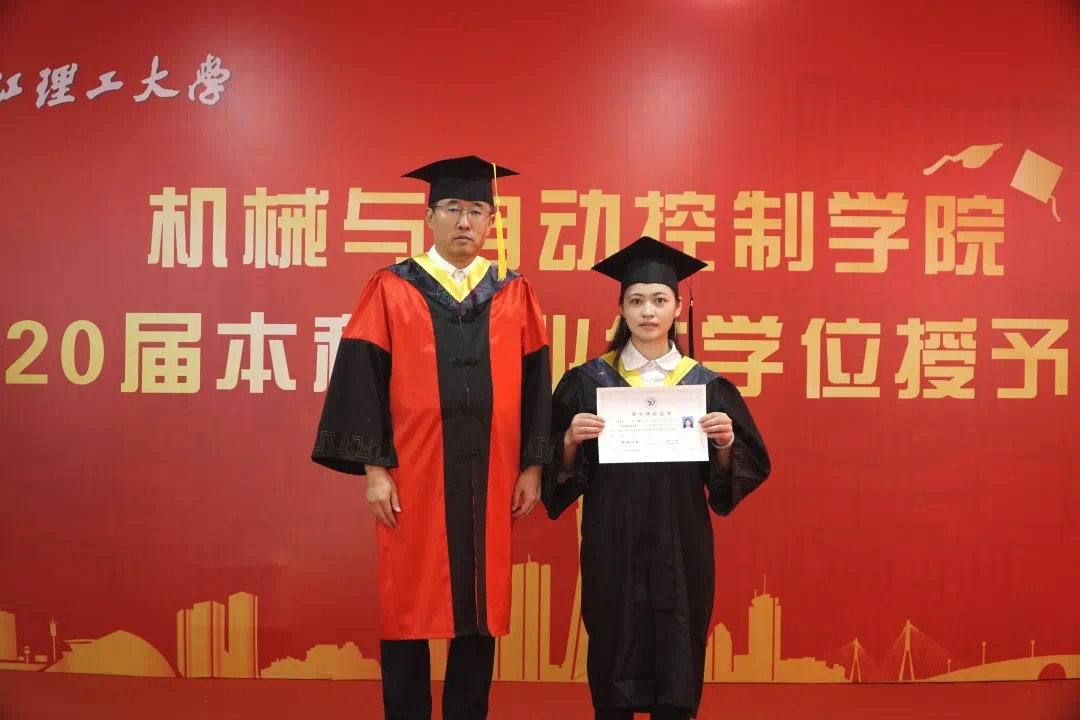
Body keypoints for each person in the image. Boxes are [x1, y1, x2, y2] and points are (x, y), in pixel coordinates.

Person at [311, 155, 553, 720]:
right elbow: (362, 379)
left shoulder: (514, 291)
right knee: (406, 605)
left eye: (477, 210)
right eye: (452, 208)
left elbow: (537, 381)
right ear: (429, 217)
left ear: (491, 220)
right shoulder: (392, 287)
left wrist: (533, 467)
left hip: (492, 473)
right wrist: (374, 471)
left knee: (480, 607)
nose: (464, 221)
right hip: (412, 474)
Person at [541, 236, 771, 720]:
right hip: (612, 537)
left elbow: (731, 479)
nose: (648, 311)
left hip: (680, 541)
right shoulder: (587, 381)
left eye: (660, 300)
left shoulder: (704, 385)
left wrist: (724, 444)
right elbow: (554, 472)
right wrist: (569, 442)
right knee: (613, 634)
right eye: (637, 300)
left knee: (678, 639)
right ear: (621, 309)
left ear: (678, 308)